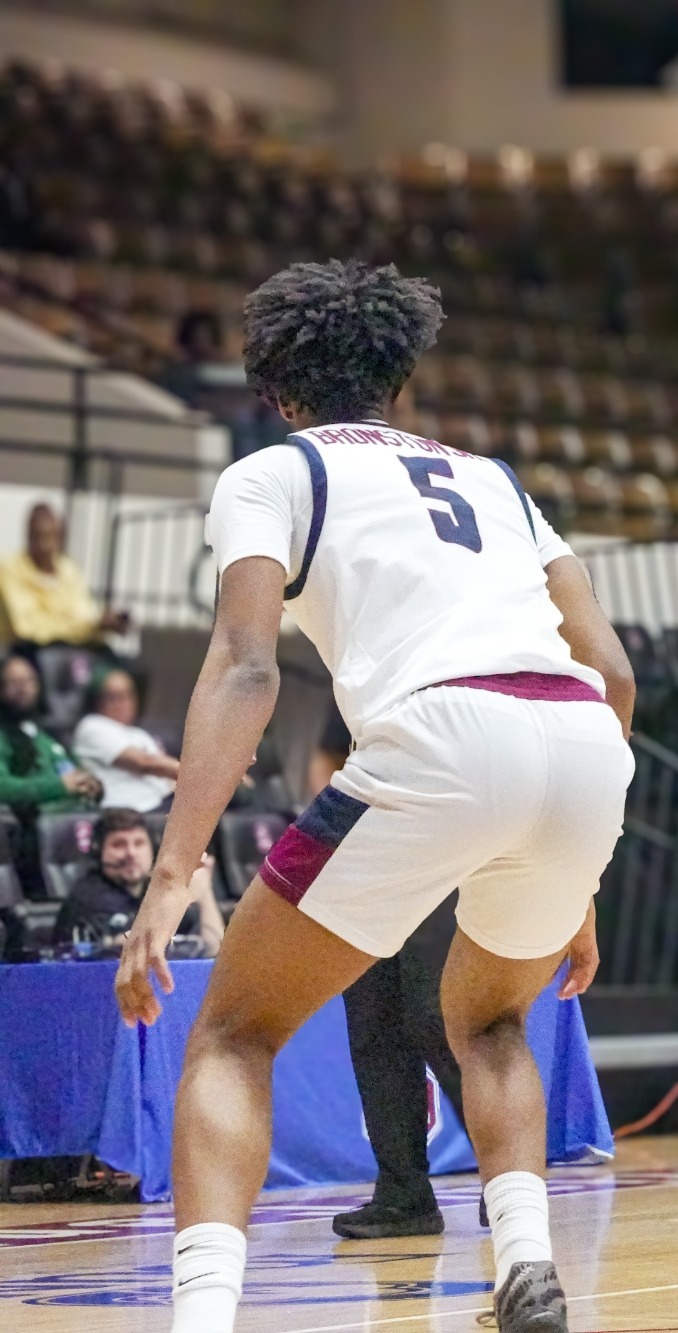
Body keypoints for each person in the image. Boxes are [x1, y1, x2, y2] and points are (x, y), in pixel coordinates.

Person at [112, 259, 637, 1333]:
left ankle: (200, 1319)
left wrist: (173, 873)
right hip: (582, 744)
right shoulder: (495, 479)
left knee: (233, 1036)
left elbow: (247, 666)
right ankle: (527, 1261)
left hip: (445, 733)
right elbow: (614, 671)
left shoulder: (273, 473)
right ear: (399, 380)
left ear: (278, 390)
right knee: (488, 1018)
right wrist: (575, 875)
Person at [309, 706, 475, 1241]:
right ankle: (403, 1194)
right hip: (368, 869)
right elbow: (328, 758)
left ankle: (509, 1185)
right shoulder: (359, 683)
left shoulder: (456, 689)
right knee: (376, 1030)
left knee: (441, 1023)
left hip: (442, 865)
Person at [53, 808, 224, 956]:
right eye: (119, 845)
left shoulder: (155, 889)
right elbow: (124, 947)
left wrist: (205, 892)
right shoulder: (88, 896)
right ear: (99, 852)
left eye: (139, 843)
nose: (131, 853)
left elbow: (212, 949)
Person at [0, 650, 101, 896]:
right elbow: (4, 787)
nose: (23, 688)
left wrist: (92, 784)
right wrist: (59, 786)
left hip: (76, 827)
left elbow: (76, 770)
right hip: (32, 832)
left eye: (29, 681)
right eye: (13, 682)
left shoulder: (47, 733)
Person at [0, 503, 131, 647]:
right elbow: (29, 629)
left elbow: (83, 612)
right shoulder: (10, 569)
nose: (44, 545)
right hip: (26, 649)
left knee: (117, 668)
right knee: (20, 670)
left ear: (60, 538)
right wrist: (84, 628)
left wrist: (103, 621)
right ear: (28, 536)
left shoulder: (68, 569)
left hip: (73, 647)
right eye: (38, 536)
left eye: (50, 537)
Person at [70, 667, 178, 814]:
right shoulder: (92, 726)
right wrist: (198, 776)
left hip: (162, 804)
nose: (124, 703)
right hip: (131, 813)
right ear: (97, 701)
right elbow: (144, 763)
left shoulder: (139, 733)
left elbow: (169, 777)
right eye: (114, 697)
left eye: (129, 695)